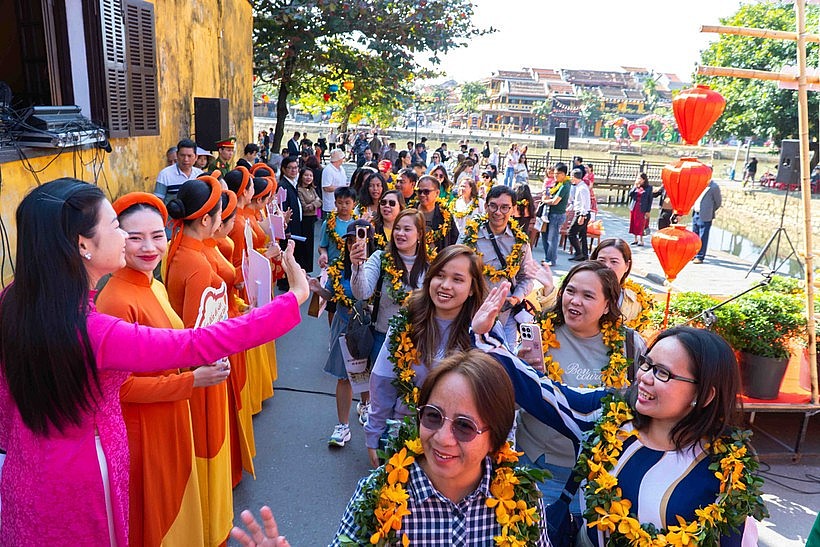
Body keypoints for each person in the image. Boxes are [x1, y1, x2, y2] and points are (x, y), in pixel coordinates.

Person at [0, 178, 307, 546]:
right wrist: (294, 298)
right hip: (85, 477)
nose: (128, 239)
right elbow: (197, 343)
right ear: (83, 244)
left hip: (26, 469)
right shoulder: (95, 329)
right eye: (116, 226)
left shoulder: (15, 301)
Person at [474, 291, 766, 547]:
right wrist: (488, 339)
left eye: (662, 373)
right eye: (647, 364)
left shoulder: (727, 474)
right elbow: (545, 394)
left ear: (703, 395)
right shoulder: (611, 419)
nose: (645, 378)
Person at [233, 350, 549, 547]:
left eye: (464, 426)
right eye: (433, 416)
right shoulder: (378, 491)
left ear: (496, 436)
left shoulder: (523, 495)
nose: (442, 438)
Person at [95, 192, 220, 547]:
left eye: (157, 235)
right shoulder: (116, 301)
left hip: (171, 416)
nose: (149, 247)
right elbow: (121, 390)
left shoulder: (156, 285)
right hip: (144, 432)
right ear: (117, 238)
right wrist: (190, 381)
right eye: (135, 238)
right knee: (156, 519)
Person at [363, 245, 489, 467]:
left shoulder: (483, 332)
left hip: (454, 447)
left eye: (458, 279)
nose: (445, 286)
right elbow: (383, 380)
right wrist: (373, 434)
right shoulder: (407, 320)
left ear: (471, 288)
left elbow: (495, 395)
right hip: (400, 437)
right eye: (440, 276)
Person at [350, 208, 428, 424]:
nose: (400, 234)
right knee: (381, 399)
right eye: (397, 229)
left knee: (409, 400)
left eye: (407, 229)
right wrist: (357, 267)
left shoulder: (431, 266)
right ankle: (377, 444)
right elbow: (362, 292)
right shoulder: (380, 257)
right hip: (382, 338)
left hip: (417, 342)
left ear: (419, 234)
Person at [310, 219, 374, 447]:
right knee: (344, 377)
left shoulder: (378, 266)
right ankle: (343, 426)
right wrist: (318, 290)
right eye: (350, 241)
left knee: (367, 373)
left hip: (368, 328)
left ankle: (366, 406)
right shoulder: (338, 267)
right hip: (343, 327)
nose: (354, 246)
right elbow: (332, 297)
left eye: (360, 241)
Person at [459, 185, 537, 345]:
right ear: (486, 206)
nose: (498, 212)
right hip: (471, 313)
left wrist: (516, 298)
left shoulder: (520, 241)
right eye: (493, 206)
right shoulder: (469, 235)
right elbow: (455, 269)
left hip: (505, 317)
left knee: (502, 364)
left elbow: (527, 278)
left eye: (505, 207)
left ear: (514, 209)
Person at [591, 238, 655, 332]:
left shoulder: (635, 302)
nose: (607, 266)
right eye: (601, 260)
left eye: (614, 262)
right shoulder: (576, 291)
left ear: (627, 266)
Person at [415, 174, 459, 259]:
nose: (422, 195)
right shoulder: (410, 212)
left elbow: (454, 239)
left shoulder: (445, 215)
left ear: (437, 193)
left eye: (426, 191)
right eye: (419, 191)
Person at [154, 138, 202, 203]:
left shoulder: (200, 174)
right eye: (182, 155)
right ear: (177, 155)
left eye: (189, 156)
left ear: (196, 157)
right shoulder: (165, 174)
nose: (186, 159)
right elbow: (158, 201)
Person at [541, 162, 570, 266]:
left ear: (564, 174)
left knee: (552, 238)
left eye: (557, 174)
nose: (555, 176)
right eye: (554, 174)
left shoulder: (565, 186)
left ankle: (551, 260)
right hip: (549, 213)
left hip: (557, 214)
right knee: (544, 235)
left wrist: (544, 200)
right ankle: (547, 257)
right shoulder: (557, 183)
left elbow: (555, 201)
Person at [296, 167, 322, 273]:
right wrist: (314, 203)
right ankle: (303, 268)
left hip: (312, 219)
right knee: (304, 245)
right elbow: (305, 207)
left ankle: (308, 269)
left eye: (310, 175)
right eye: (306, 175)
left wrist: (313, 204)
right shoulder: (299, 190)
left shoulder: (312, 189)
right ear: (301, 176)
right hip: (305, 220)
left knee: (311, 245)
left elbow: (320, 201)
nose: (308, 178)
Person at [692, 179, 722, 264]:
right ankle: (693, 254)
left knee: (703, 236)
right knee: (694, 235)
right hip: (696, 213)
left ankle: (700, 256)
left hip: (705, 215)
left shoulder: (714, 187)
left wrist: (709, 210)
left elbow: (718, 202)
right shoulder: (698, 183)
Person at [567, 167, 591, 261]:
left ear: (574, 177)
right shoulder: (579, 187)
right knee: (582, 234)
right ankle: (584, 254)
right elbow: (577, 202)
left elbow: (585, 203)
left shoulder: (582, 188)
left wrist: (582, 215)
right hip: (581, 212)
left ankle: (578, 252)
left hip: (582, 213)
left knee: (571, 233)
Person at [628, 173, 653, 246]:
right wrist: (635, 186)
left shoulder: (649, 188)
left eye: (640, 179)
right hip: (634, 206)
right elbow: (630, 194)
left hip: (642, 208)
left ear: (644, 180)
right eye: (638, 178)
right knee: (634, 223)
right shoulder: (636, 187)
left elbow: (650, 200)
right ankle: (635, 239)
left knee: (641, 224)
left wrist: (648, 211)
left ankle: (641, 240)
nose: (639, 180)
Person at [321, 149, 349, 215]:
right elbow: (326, 187)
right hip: (330, 207)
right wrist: (341, 188)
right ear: (338, 159)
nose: (343, 159)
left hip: (340, 205)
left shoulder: (341, 169)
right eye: (342, 158)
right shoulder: (328, 170)